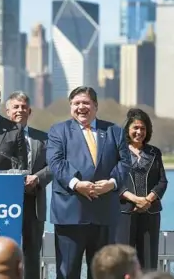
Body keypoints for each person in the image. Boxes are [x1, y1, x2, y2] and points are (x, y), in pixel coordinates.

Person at [46, 86, 131, 279]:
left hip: (104, 214)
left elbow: (125, 162)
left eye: (86, 103)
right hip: (70, 214)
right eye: (76, 103)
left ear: (95, 106)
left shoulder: (114, 131)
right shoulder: (58, 131)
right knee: (68, 272)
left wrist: (112, 183)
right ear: (70, 107)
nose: (81, 107)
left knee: (104, 273)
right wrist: (76, 184)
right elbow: (56, 162)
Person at [5, 91, 52, 279]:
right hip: (5, 205)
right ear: (7, 111)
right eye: (15, 107)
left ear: (30, 111)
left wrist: (37, 178)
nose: (20, 110)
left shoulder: (43, 138)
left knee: (32, 255)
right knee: (5, 252)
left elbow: (54, 165)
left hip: (34, 204)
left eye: (24, 107)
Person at [116, 108, 168, 270]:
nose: (139, 132)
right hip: (124, 212)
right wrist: (134, 199)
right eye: (135, 128)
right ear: (128, 130)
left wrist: (148, 200)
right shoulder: (118, 151)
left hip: (150, 213)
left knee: (149, 260)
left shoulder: (154, 153)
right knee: (124, 260)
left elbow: (162, 181)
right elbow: (114, 180)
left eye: (143, 128)